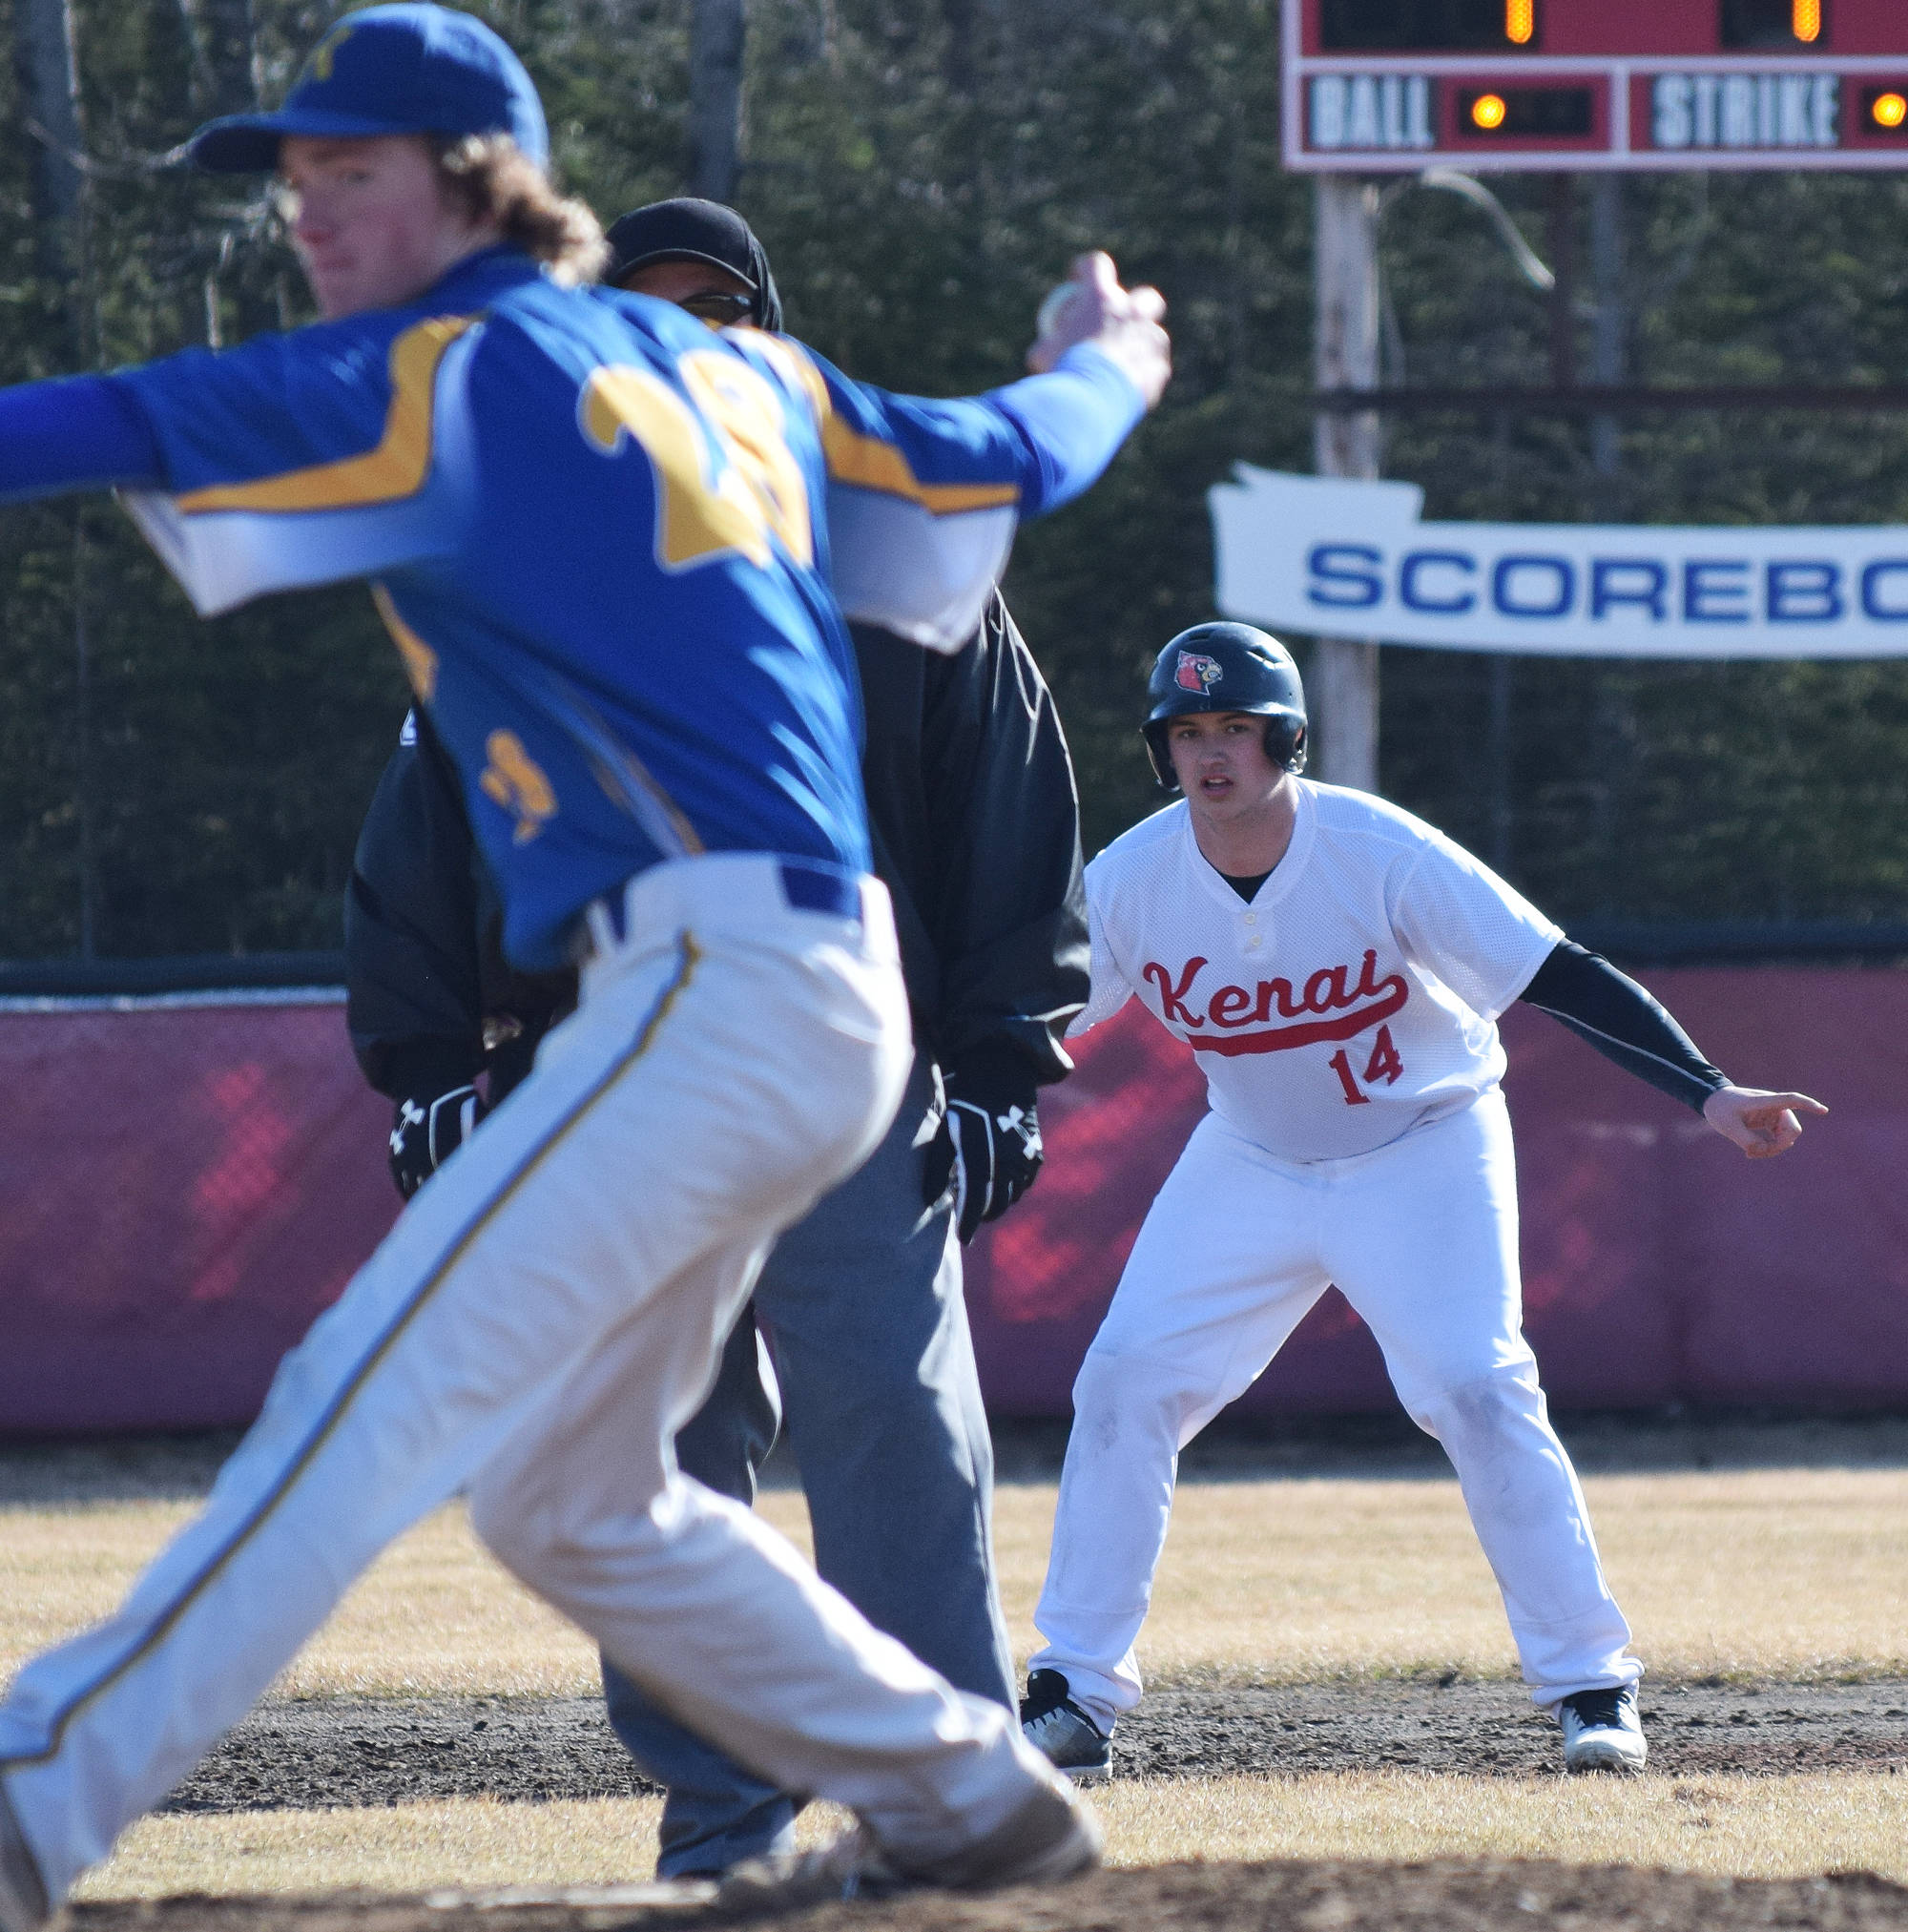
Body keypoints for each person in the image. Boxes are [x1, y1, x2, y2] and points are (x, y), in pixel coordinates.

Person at [0, 8, 1172, 1925]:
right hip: (799, 993)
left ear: (475, 181)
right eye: (291, 178)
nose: (304, 209)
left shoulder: (441, 367)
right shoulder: (755, 383)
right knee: (571, 1491)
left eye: (343, 170)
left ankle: (34, 1799)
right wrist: (1109, 359)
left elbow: (98, 423)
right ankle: (970, 1789)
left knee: (361, 1396)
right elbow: (1011, 453)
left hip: (710, 985)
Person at [346, 195, 1090, 1877]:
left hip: (849, 1076)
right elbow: (424, 833)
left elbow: (1011, 833)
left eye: (717, 313)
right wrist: (427, 1075)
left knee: (895, 1435)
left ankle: (945, 1817)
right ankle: (726, 1825)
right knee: (651, 1466)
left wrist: (997, 1071)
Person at [1015, 623, 1825, 1786]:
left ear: (1284, 738)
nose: (1210, 753)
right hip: (1249, 1157)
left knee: (1471, 1383)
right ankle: (1072, 1696)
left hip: (1422, 1146)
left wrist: (1703, 1090)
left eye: (1233, 727)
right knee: (1124, 1381)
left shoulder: (1373, 848)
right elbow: (1032, 1016)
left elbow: (1555, 971)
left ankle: (1589, 1687)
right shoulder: (1135, 879)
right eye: (1186, 731)